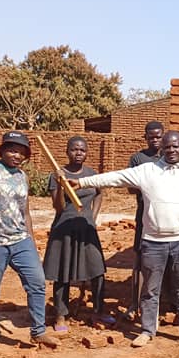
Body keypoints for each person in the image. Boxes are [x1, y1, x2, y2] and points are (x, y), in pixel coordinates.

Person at [71, 130, 179, 348]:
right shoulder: (147, 171)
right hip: (153, 242)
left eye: (176, 146)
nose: (171, 150)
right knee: (151, 290)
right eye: (167, 146)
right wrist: (82, 182)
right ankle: (147, 330)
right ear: (162, 148)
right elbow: (115, 177)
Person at [0, 131, 54, 354]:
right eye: (12, 150)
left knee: (37, 282)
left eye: (21, 152)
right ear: (3, 150)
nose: (17, 156)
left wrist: (31, 240)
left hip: (20, 240)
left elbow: (25, 212)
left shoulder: (22, 176)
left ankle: (38, 331)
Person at [42, 136, 110, 333]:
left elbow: (99, 193)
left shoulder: (91, 174)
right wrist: (60, 185)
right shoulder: (58, 174)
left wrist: (93, 216)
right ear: (67, 151)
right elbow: (58, 207)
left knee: (97, 270)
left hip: (87, 228)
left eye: (82, 150)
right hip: (64, 228)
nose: (78, 153)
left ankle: (98, 311)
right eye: (74, 149)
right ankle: (60, 315)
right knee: (62, 273)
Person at [125, 120, 164, 318]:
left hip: (164, 215)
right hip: (144, 215)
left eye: (158, 136)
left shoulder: (169, 157)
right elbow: (130, 187)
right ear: (145, 137)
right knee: (140, 260)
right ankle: (135, 304)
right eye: (151, 137)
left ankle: (160, 304)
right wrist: (147, 184)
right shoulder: (138, 159)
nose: (155, 140)